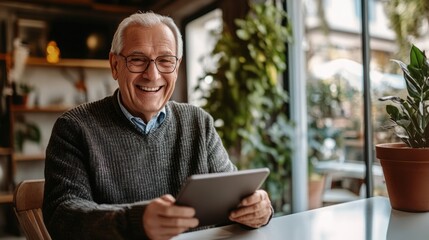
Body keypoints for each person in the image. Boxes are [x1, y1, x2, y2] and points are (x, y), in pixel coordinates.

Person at [42, 11, 273, 240]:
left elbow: (234, 199)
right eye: (137, 60)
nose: (152, 75)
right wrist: (136, 222)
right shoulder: (73, 128)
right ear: (115, 65)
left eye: (165, 61)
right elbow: (62, 216)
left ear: (177, 66)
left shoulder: (198, 122)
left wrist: (257, 209)